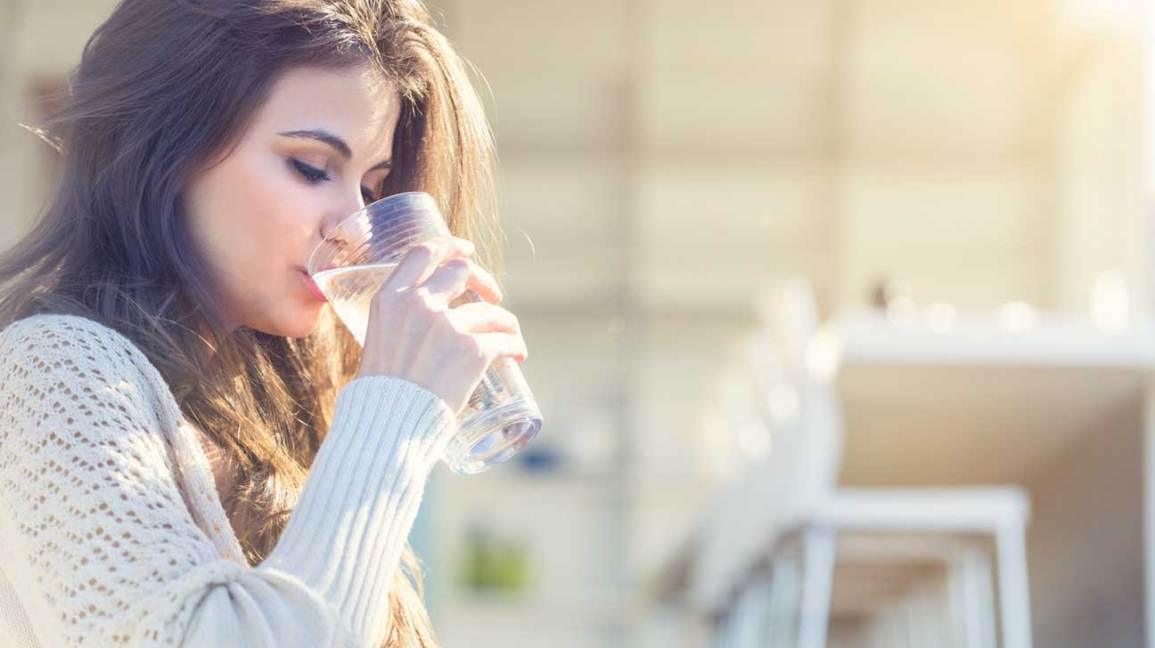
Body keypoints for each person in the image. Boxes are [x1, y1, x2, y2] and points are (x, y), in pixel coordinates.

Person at [0, 1, 527, 646]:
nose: (348, 226)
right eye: (310, 167)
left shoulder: (275, 407)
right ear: (170, 149)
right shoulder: (53, 366)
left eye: (371, 188)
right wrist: (397, 405)